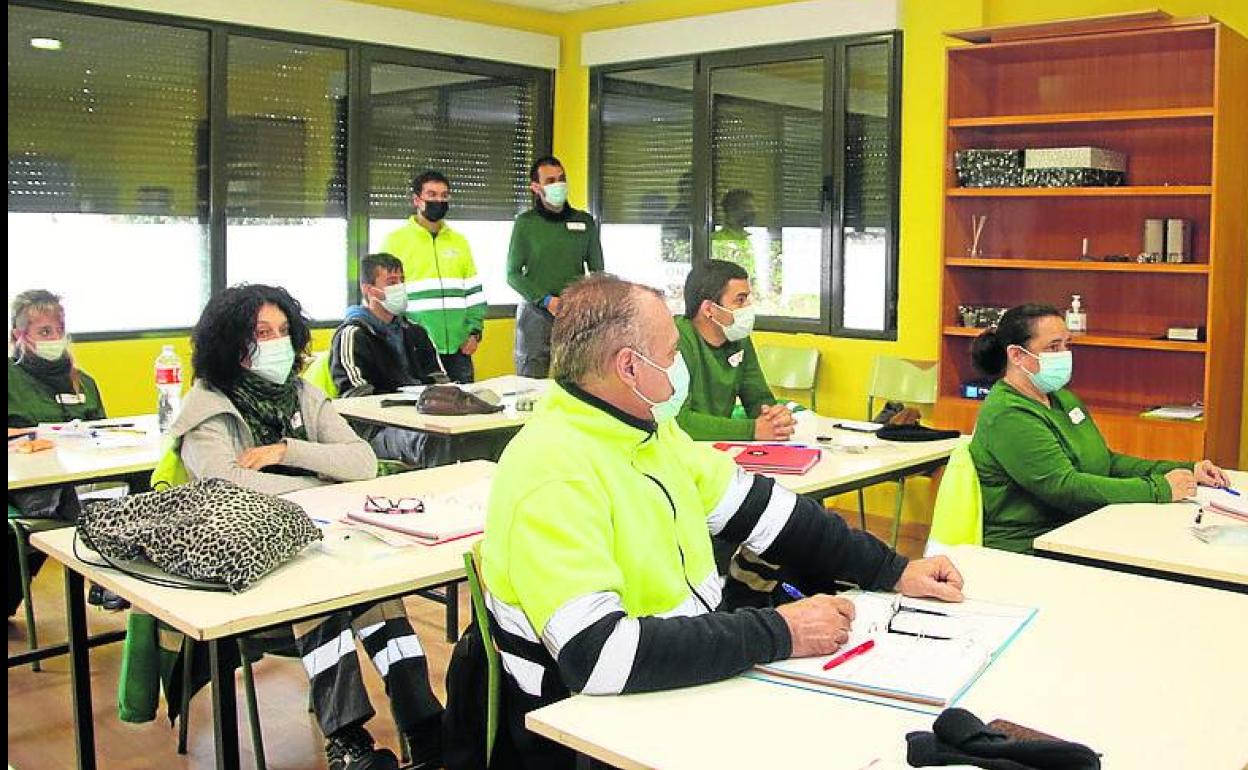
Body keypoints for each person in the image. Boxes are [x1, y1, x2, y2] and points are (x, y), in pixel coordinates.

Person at [476, 274, 964, 767]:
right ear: (629, 366)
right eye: (671, 353)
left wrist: (894, 570)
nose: (679, 364)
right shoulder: (552, 469)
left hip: (677, 677)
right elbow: (600, 657)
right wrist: (780, 631)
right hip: (585, 728)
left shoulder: (646, 433)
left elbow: (772, 513)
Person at [170, 284, 443, 770]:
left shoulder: (302, 394)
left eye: (283, 331)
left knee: (373, 589)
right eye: (261, 333)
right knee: (321, 592)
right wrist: (318, 481)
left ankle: (422, 721)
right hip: (248, 569)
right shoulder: (206, 407)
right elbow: (227, 483)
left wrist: (288, 451)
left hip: (320, 542)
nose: (276, 342)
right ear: (231, 341)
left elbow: (361, 462)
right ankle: (347, 739)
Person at [969, 303, 1230, 554]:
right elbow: (1064, 487)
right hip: (1030, 544)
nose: (1064, 354)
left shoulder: (1060, 398)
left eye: (1067, 344)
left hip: (1081, 526)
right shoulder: (1008, 413)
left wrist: (1187, 470)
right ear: (1017, 355)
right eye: (1053, 347)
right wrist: (1159, 489)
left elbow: (1106, 462)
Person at [7, 289, 127, 614]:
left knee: (136, 486)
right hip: (31, 484)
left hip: (85, 475)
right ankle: (110, 575)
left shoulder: (82, 381)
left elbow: (104, 432)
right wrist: (34, 436)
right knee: (82, 499)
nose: (55, 338)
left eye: (59, 329)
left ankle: (117, 576)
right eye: (45, 331)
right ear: (19, 335)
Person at [331, 253, 456, 468]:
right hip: (376, 429)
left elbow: (440, 380)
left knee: (474, 436)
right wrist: (407, 408)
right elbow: (355, 396)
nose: (400, 288)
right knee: (434, 442)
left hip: (423, 419)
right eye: (391, 282)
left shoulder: (416, 331)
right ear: (369, 290)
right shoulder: (352, 335)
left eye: (402, 281)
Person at [381, 170, 485, 383]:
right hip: (416, 348)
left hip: (459, 348)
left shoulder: (459, 241)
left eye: (444, 195)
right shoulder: (395, 241)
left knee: (464, 402)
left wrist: (474, 332)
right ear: (417, 200)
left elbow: (474, 292)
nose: (439, 200)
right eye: (432, 195)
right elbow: (385, 296)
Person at [506, 155, 604, 377]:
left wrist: (587, 302)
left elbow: (598, 272)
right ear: (536, 187)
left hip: (574, 312)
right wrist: (546, 300)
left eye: (561, 179)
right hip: (535, 313)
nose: (558, 185)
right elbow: (512, 274)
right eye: (550, 181)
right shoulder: (526, 223)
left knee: (576, 379)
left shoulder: (584, 222)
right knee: (531, 382)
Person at [676, 259, 795, 442]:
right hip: (679, 448)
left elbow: (758, 399)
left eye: (747, 299)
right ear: (709, 309)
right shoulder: (675, 341)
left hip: (718, 446)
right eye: (740, 300)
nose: (748, 308)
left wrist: (775, 418)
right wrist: (752, 430)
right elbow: (679, 422)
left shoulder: (738, 338)